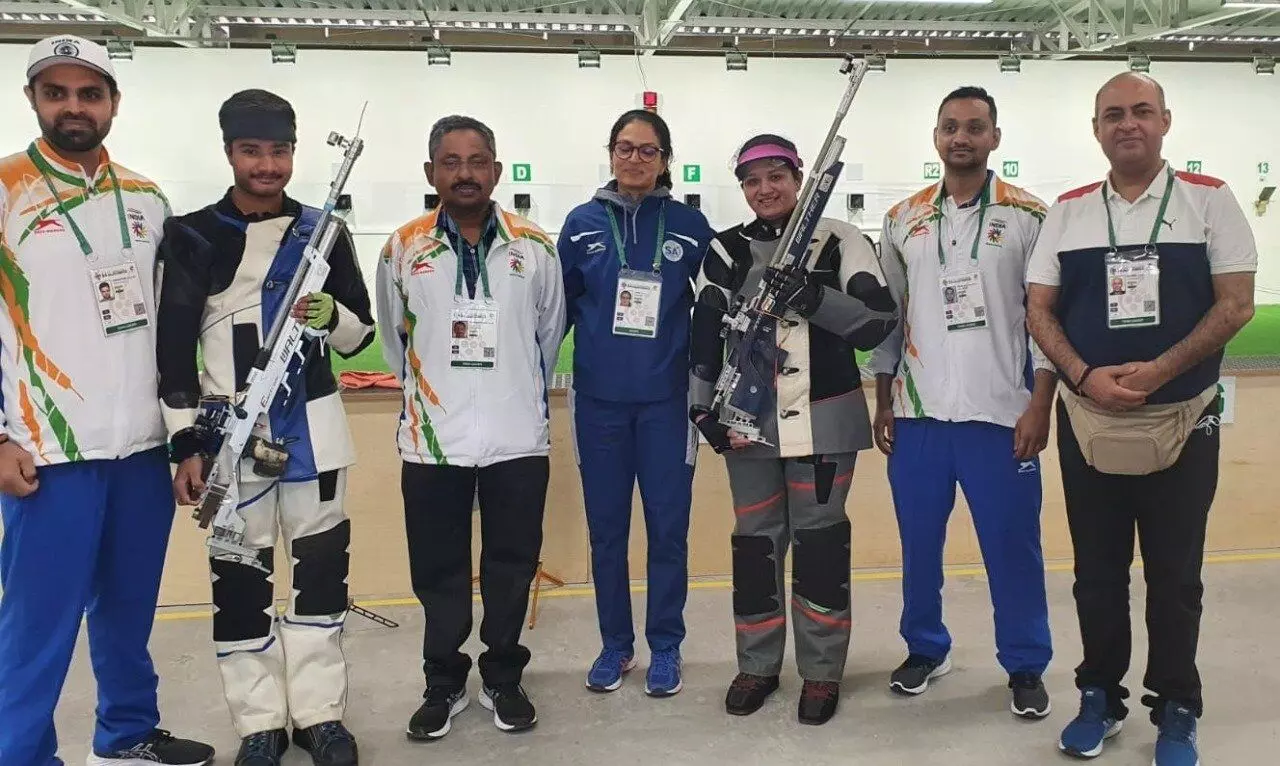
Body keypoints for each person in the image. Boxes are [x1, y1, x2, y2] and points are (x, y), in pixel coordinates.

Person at [1026, 72, 1257, 765]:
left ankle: (1177, 705)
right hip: (1087, 420)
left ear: (1165, 121)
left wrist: (1158, 372)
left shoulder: (1209, 200)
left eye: (1142, 111)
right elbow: (1039, 309)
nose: (1128, 124)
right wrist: (1083, 375)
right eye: (1113, 114)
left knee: (1175, 576)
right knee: (1096, 573)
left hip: (1184, 419)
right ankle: (1099, 694)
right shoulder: (1068, 212)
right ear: (1096, 128)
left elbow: (1236, 304)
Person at [0, 35, 214, 766]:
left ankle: (126, 732)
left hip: (142, 448)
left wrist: (182, 438)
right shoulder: (6, 191)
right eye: (56, 92)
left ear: (113, 104)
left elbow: (171, 332)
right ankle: (20, 754)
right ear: (32, 99)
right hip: (49, 451)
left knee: (127, 610)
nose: (74, 107)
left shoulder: (147, 198)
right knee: (38, 624)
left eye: (89, 93)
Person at [158, 89, 374, 766]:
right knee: (241, 586)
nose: (267, 165)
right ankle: (259, 722)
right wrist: (185, 442)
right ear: (229, 152)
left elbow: (360, 334)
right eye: (252, 150)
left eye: (279, 151)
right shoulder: (192, 235)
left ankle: (320, 715)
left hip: (316, 436)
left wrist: (332, 314)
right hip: (230, 437)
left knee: (321, 579)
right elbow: (173, 350)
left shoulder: (323, 232)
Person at [689, 134, 898, 724]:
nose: (765, 190)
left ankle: (822, 673)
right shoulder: (725, 249)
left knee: (820, 548)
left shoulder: (841, 240)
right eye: (752, 181)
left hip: (825, 423)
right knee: (756, 547)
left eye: (777, 176)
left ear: (800, 179)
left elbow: (878, 321)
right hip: (746, 423)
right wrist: (702, 411)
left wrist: (812, 297)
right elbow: (703, 332)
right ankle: (757, 665)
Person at [867, 86, 1057, 719]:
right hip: (919, 414)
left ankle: (1025, 662)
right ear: (936, 137)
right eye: (950, 126)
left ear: (994, 137)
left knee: (1012, 546)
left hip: (1001, 416)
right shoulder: (903, 219)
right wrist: (883, 396)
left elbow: (1045, 319)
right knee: (919, 545)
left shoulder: (1031, 217)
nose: (962, 137)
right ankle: (925, 647)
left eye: (975, 127)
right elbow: (889, 315)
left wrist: (1040, 403)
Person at [376, 115, 565, 739]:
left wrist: (517, 394)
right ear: (430, 172)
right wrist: (434, 397)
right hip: (433, 443)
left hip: (517, 438)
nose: (465, 173)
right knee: (439, 571)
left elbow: (547, 334)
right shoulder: (403, 247)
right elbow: (394, 341)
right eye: (451, 162)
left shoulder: (534, 248)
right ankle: (444, 680)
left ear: (497, 170)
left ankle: (504, 676)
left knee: (512, 564)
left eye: (477, 161)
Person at [558, 109, 713, 697]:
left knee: (668, 529)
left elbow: (716, 308)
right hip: (599, 404)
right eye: (625, 147)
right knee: (607, 531)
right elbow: (554, 313)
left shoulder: (690, 226)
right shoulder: (580, 224)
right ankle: (615, 645)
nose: (635, 159)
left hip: (667, 405)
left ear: (665, 160)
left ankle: (666, 646)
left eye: (648, 150)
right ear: (610, 153)